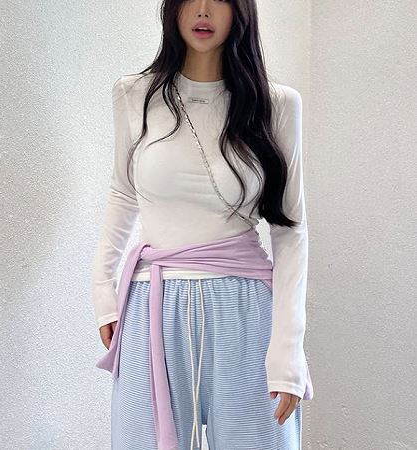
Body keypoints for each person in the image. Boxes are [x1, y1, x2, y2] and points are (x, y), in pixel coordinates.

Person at [91, 0, 314, 449]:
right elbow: (123, 193)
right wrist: (103, 289)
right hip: (153, 304)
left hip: (244, 307)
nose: (204, 10)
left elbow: (289, 229)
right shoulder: (134, 94)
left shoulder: (276, 104)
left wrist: (288, 348)